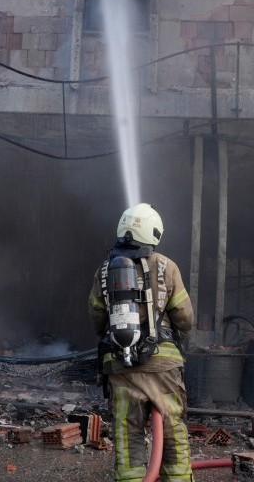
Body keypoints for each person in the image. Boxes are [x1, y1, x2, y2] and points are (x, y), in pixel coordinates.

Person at [88, 203, 195, 482]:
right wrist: (175, 341)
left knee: (126, 430)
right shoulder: (167, 267)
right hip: (163, 366)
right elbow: (184, 317)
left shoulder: (104, 270)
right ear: (154, 232)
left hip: (119, 365)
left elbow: (97, 318)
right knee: (172, 426)